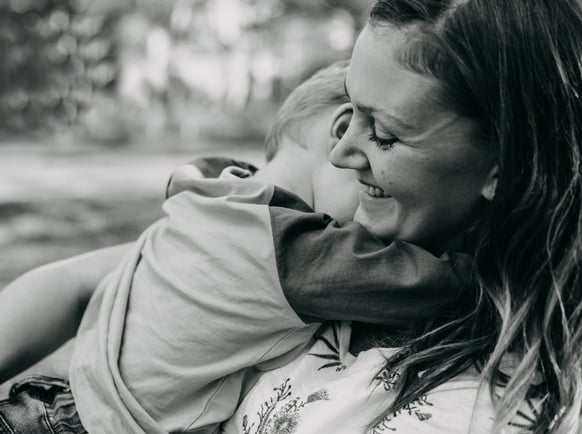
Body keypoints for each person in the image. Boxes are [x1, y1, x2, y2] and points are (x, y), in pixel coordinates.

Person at [0, 61, 469, 434]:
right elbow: (432, 285)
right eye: (378, 149)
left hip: (49, 398)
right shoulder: (296, 249)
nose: (359, 227)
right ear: (344, 130)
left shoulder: (207, 190)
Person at [216, 1, 582, 433]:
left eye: (384, 135)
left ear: (504, 165)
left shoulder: (485, 405)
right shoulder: (340, 244)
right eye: (350, 111)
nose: (340, 153)